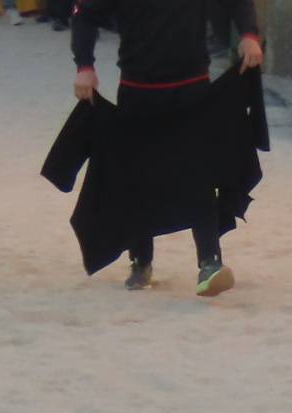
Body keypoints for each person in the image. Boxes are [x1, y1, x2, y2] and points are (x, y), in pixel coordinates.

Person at [70, 0, 263, 296]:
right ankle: (141, 262)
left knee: (198, 175)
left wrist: (249, 34)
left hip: (192, 87)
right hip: (138, 90)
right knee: (138, 179)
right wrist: (84, 65)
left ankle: (209, 262)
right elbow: (84, 14)